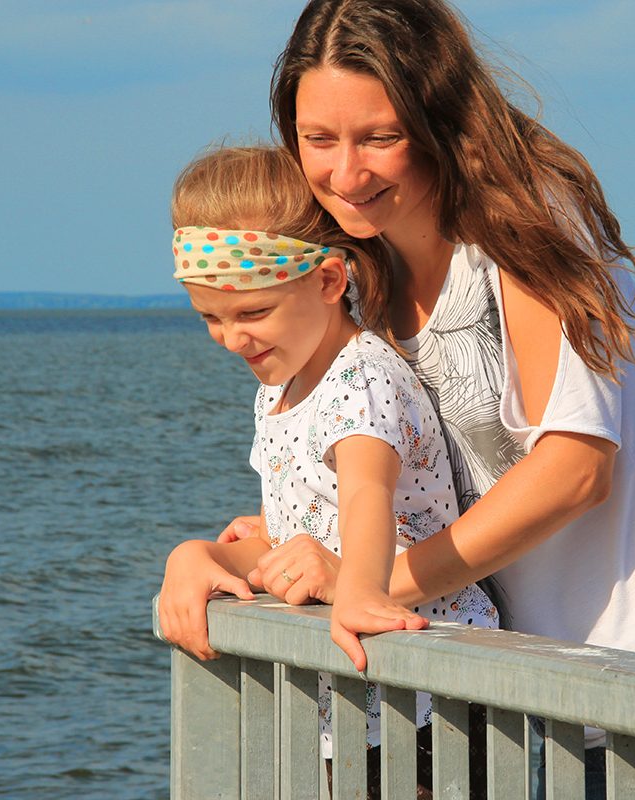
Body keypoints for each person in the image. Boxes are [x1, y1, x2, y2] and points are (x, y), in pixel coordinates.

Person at [163, 1, 635, 797]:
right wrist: (203, 558)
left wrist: (368, 585)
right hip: (557, 700)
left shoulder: (527, 224)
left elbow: (575, 468)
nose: (346, 173)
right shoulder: (360, 281)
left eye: (381, 136)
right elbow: (394, 491)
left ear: (438, 117)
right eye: (319, 140)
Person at [158, 144, 498, 795]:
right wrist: (200, 558)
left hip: (431, 698)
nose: (232, 339)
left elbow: (366, 492)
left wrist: (363, 590)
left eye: (253, 313)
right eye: (211, 318)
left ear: (328, 281)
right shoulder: (280, 390)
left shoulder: (362, 377)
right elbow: (298, 543)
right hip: (359, 699)